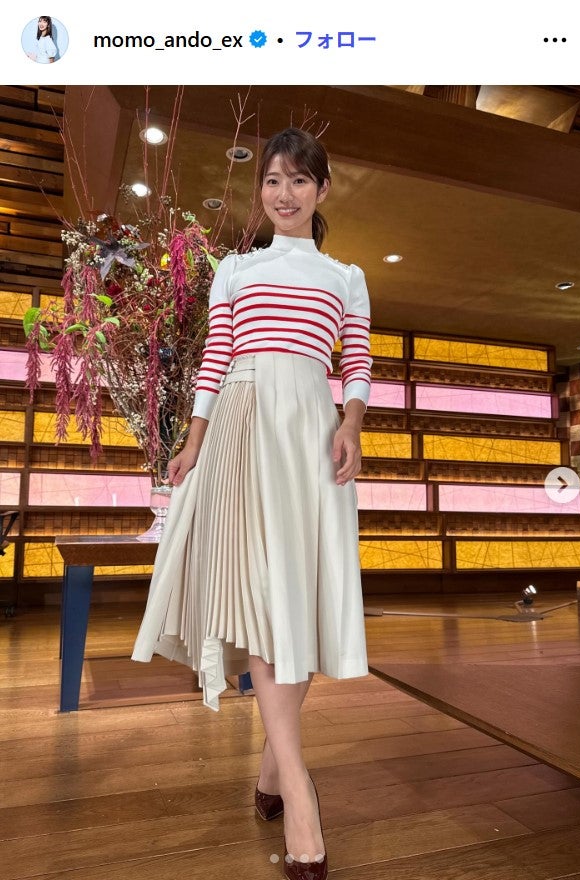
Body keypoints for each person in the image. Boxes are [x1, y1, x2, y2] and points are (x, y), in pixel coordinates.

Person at [132, 127, 372, 879]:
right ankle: (297, 790)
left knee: (299, 599)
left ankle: (273, 768)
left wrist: (351, 425)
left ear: (322, 190)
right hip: (241, 427)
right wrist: (193, 441)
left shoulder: (346, 277)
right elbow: (215, 359)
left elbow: (358, 362)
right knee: (266, 601)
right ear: (259, 188)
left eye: (299, 180)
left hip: (311, 435)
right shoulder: (235, 270)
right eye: (273, 179)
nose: (284, 193)